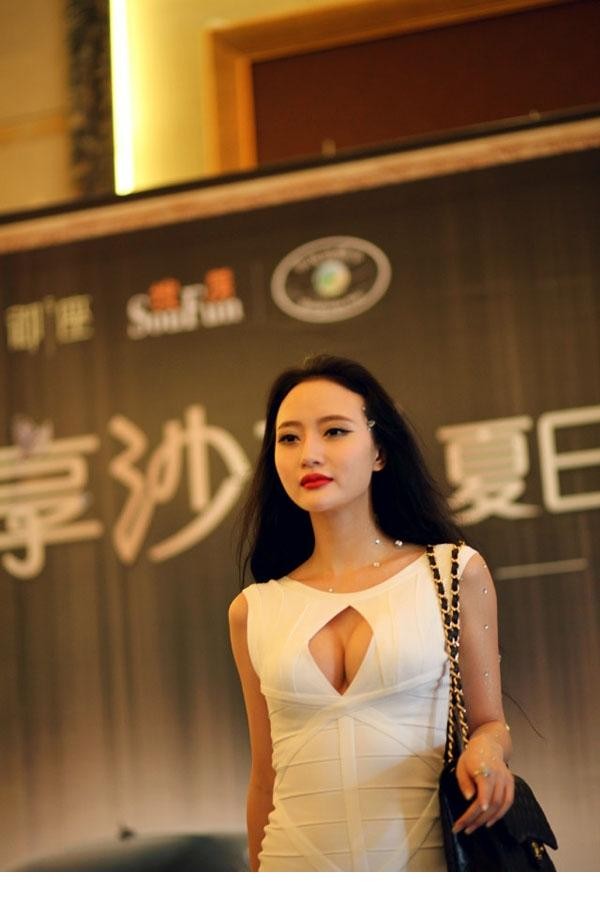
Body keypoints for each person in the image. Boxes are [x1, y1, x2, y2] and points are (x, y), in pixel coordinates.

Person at [229, 354, 514, 872]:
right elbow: (265, 778)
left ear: (380, 451)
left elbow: (489, 723)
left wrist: (488, 753)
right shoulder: (254, 610)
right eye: (288, 438)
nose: (309, 454)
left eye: (334, 431)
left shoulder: (453, 572)